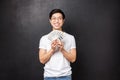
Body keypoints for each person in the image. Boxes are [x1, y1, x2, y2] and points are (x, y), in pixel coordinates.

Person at [39, 9, 76, 80]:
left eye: (59, 18)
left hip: (65, 76)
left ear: (63, 20)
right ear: (50, 20)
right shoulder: (44, 38)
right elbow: (42, 60)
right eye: (54, 18)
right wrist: (52, 50)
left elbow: (73, 59)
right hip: (48, 76)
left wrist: (62, 49)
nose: (57, 21)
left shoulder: (71, 38)